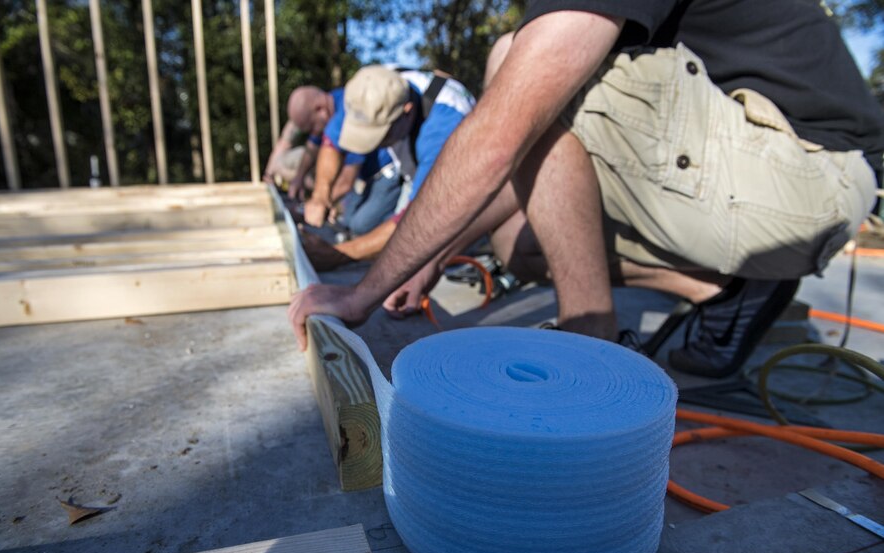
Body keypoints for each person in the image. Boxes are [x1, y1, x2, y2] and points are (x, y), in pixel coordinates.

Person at [290, 2, 884, 379]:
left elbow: (505, 134)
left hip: (810, 176)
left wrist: (362, 293)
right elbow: (522, 163)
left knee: (517, 66)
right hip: (770, 188)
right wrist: (434, 257)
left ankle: (592, 353)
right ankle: (727, 285)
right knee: (519, 243)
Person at [297, 65, 477, 269]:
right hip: (417, 170)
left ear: (406, 112)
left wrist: (339, 254)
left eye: (381, 136)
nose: (374, 145)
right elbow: (331, 143)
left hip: (455, 187)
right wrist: (321, 195)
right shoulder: (371, 90)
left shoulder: (443, 125)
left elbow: (417, 217)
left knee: (429, 252)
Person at [263, 86, 401, 237]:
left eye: (312, 127)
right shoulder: (330, 107)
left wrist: (315, 205)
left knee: (359, 225)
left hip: (387, 172)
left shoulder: (349, 115)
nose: (313, 133)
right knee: (347, 221)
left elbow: (347, 181)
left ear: (320, 109)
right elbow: (312, 147)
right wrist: (298, 179)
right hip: (366, 177)